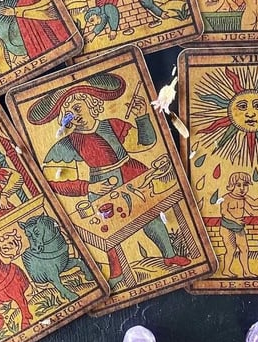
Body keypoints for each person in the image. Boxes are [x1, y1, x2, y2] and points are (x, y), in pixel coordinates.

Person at [32, 76, 190, 288]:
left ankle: (169, 255)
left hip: (133, 176)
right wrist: (88, 187)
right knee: (108, 230)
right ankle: (117, 272)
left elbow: (145, 143)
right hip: (100, 187)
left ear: (92, 105)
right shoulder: (68, 143)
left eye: (77, 108)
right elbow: (53, 183)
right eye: (67, 112)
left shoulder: (112, 125)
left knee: (152, 217)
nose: (73, 115)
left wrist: (142, 117)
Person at [219, 172, 258, 277]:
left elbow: (251, 211)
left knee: (244, 249)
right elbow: (224, 212)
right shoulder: (225, 198)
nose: (242, 188)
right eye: (238, 185)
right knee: (231, 249)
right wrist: (235, 220)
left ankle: (246, 272)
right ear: (232, 185)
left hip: (239, 227)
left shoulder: (243, 199)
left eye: (245, 185)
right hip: (227, 227)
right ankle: (226, 270)